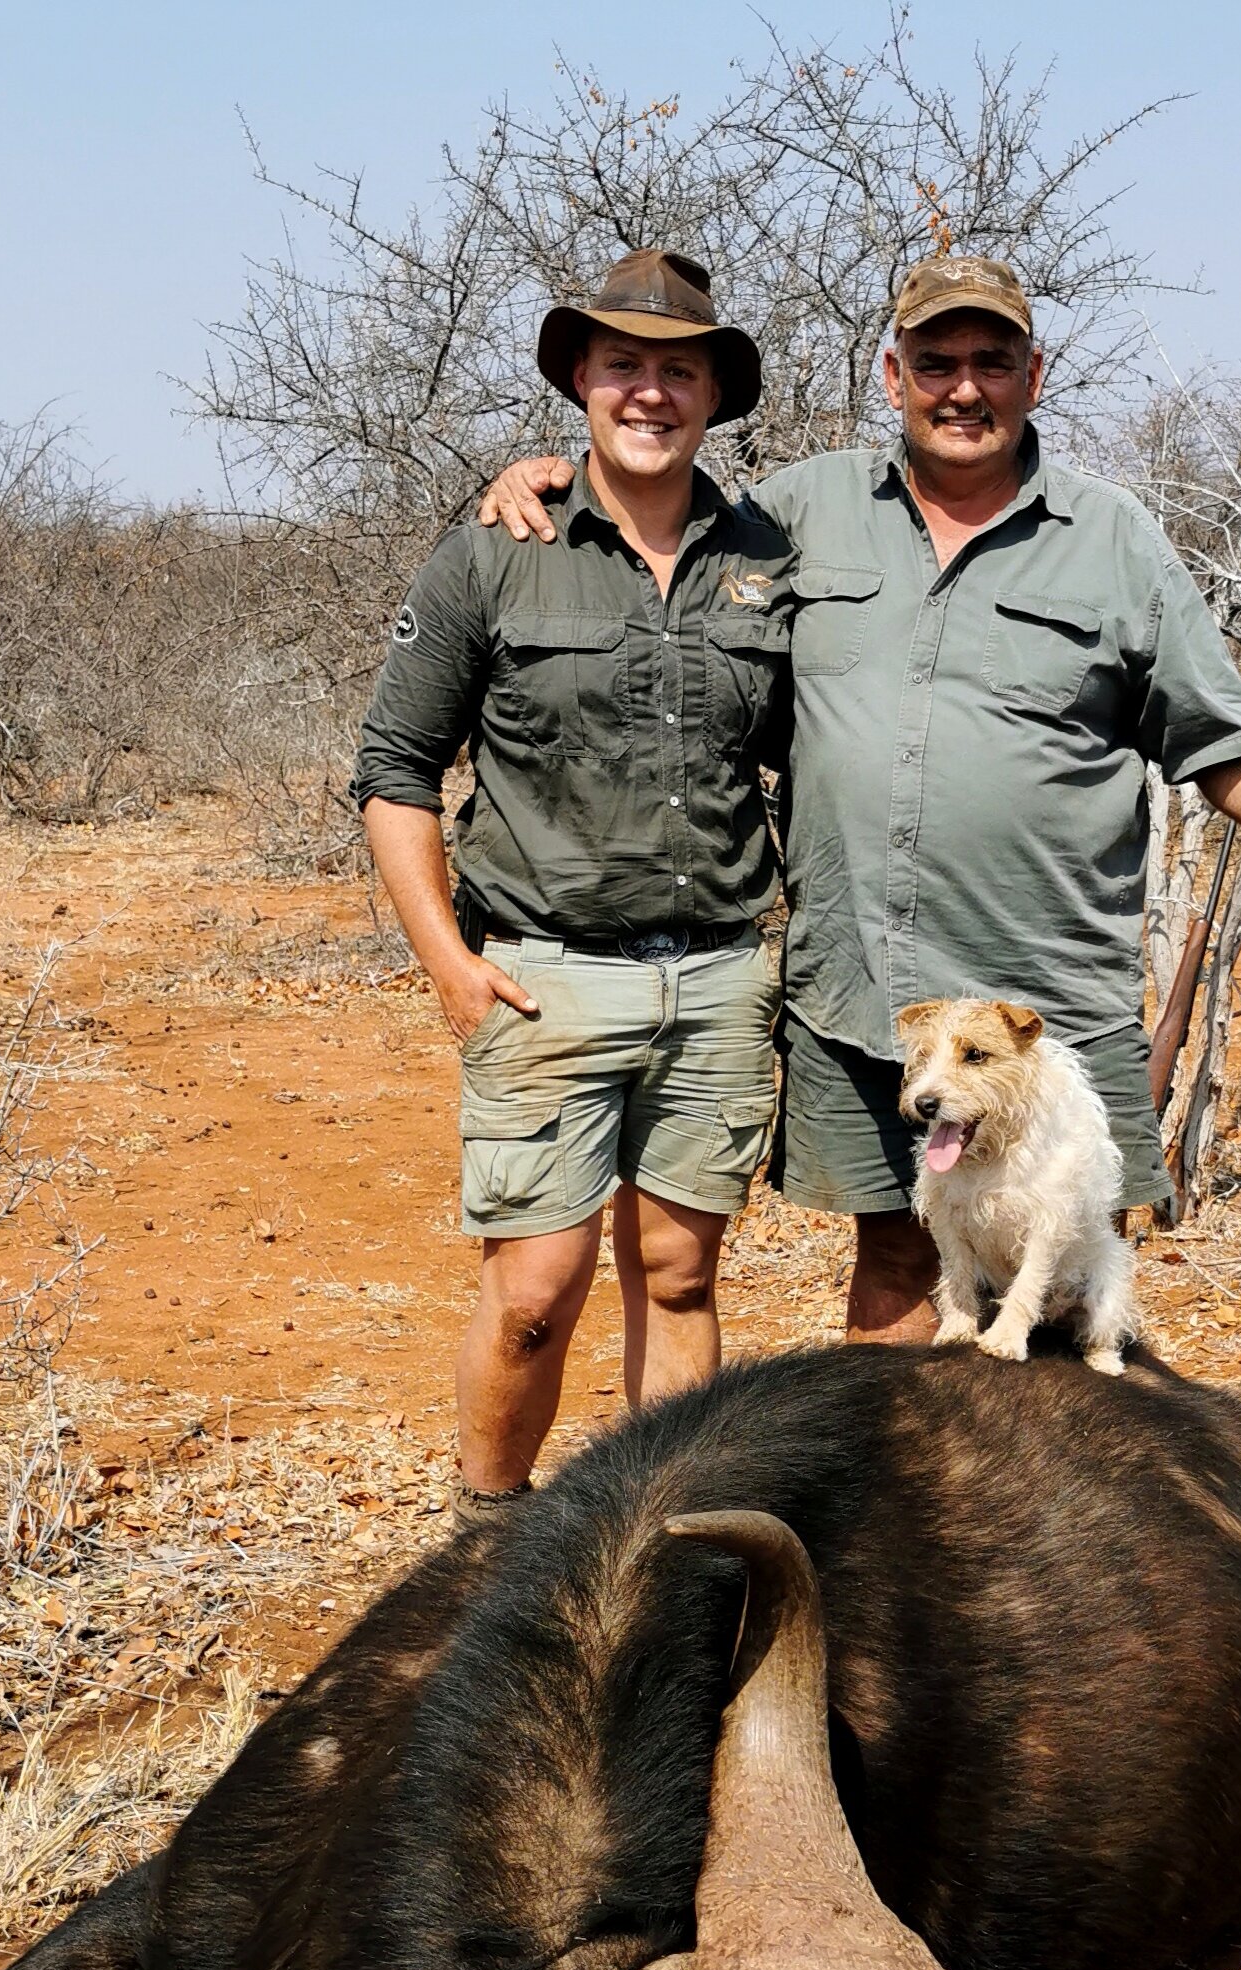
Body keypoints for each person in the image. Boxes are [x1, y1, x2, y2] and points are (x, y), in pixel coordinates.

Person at [482, 253, 1241, 1341]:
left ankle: (1054, 1512)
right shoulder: (799, 512)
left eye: (989, 361)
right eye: (935, 362)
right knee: (898, 1258)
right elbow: (652, 526)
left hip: (1041, 1001)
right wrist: (541, 479)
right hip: (863, 990)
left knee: (1056, 1260)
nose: (962, 387)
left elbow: (1214, 733)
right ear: (892, 374)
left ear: (1033, 374)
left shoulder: (1113, 541)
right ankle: (907, 1512)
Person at [352, 249, 794, 1510]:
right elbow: (394, 772)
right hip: (542, 982)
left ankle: (666, 1561)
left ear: (713, 394)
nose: (649, 394)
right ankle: (482, 1542)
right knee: (535, 1295)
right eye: (623, 367)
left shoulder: (768, 553)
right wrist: (449, 966)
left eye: (677, 371)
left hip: (716, 981)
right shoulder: (497, 548)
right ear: (580, 383)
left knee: (682, 1276)